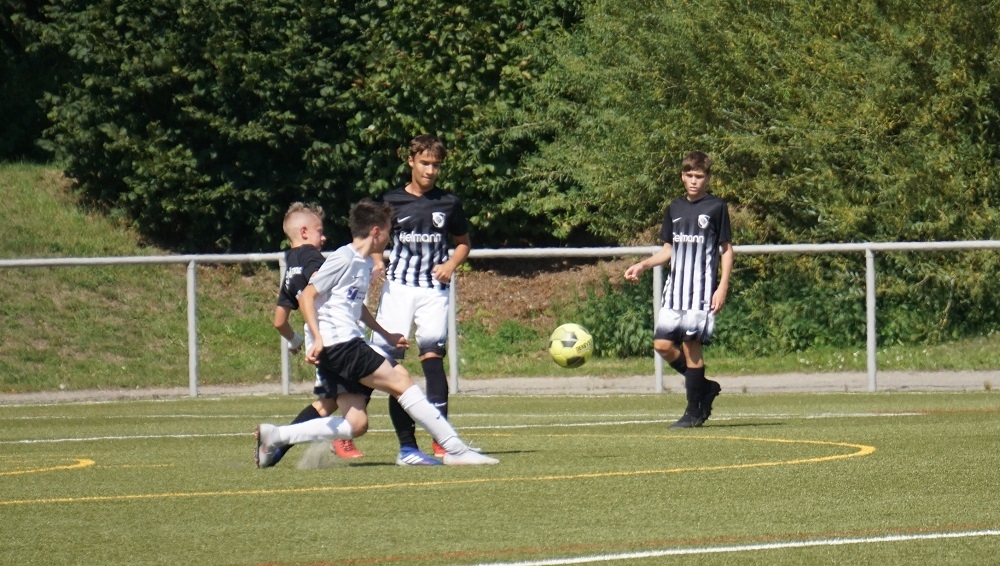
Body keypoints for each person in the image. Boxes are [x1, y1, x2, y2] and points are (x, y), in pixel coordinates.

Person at [254, 198, 498, 467]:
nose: (390, 238)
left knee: (356, 424)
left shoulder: (363, 263)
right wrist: (318, 337)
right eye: (388, 231)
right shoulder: (343, 258)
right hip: (341, 345)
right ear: (375, 231)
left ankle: (278, 435)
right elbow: (308, 297)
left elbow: (355, 306)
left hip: (342, 345)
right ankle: (454, 449)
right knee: (401, 379)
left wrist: (386, 333)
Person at [369, 134, 473, 463]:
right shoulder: (391, 201)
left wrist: (450, 265)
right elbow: (374, 238)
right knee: (386, 365)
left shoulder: (449, 203)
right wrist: (377, 261)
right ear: (411, 161)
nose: (430, 170)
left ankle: (442, 441)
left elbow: (463, 243)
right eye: (425, 163)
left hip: (432, 291)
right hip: (398, 289)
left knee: (432, 357)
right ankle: (406, 446)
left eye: (436, 165)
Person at [623, 151, 734, 428]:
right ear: (682, 176)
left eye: (699, 176)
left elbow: (726, 249)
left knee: (690, 346)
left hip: (700, 292)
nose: (694, 181)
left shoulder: (716, 207)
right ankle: (704, 387)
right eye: (689, 175)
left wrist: (722, 286)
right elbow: (668, 250)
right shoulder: (674, 208)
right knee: (661, 345)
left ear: (708, 178)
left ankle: (694, 411)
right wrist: (643, 265)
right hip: (674, 291)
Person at [267, 203, 364, 466]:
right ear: (304, 232)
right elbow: (322, 284)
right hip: (333, 335)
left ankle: (275, 447)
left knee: (327, 403)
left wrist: (295, 340)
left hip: (316, 338)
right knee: (364, 381)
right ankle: (342, 436)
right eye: (319, 231)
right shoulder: (311, 256)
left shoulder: (290, 266)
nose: (324, 237)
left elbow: (279, 321)